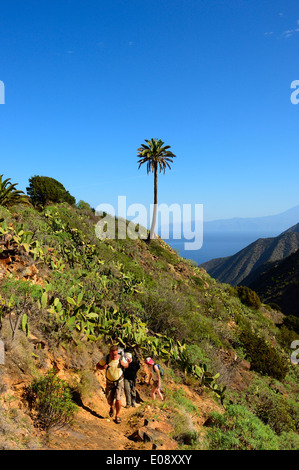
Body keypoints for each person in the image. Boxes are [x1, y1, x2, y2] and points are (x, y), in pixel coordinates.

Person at [96, 345, 131, 423]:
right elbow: (97, 365)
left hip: (119, 381)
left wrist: (124, 364)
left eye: (115, 354)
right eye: (113, 354)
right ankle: (112, 407)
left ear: (117, 352)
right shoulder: (105, 359)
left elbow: (127, 365)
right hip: (109, 382)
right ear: (110, 353)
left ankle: (117, 416)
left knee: (118, 399)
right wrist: (103, 367)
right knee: (109, 400)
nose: (114, 356)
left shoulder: (121, 358)